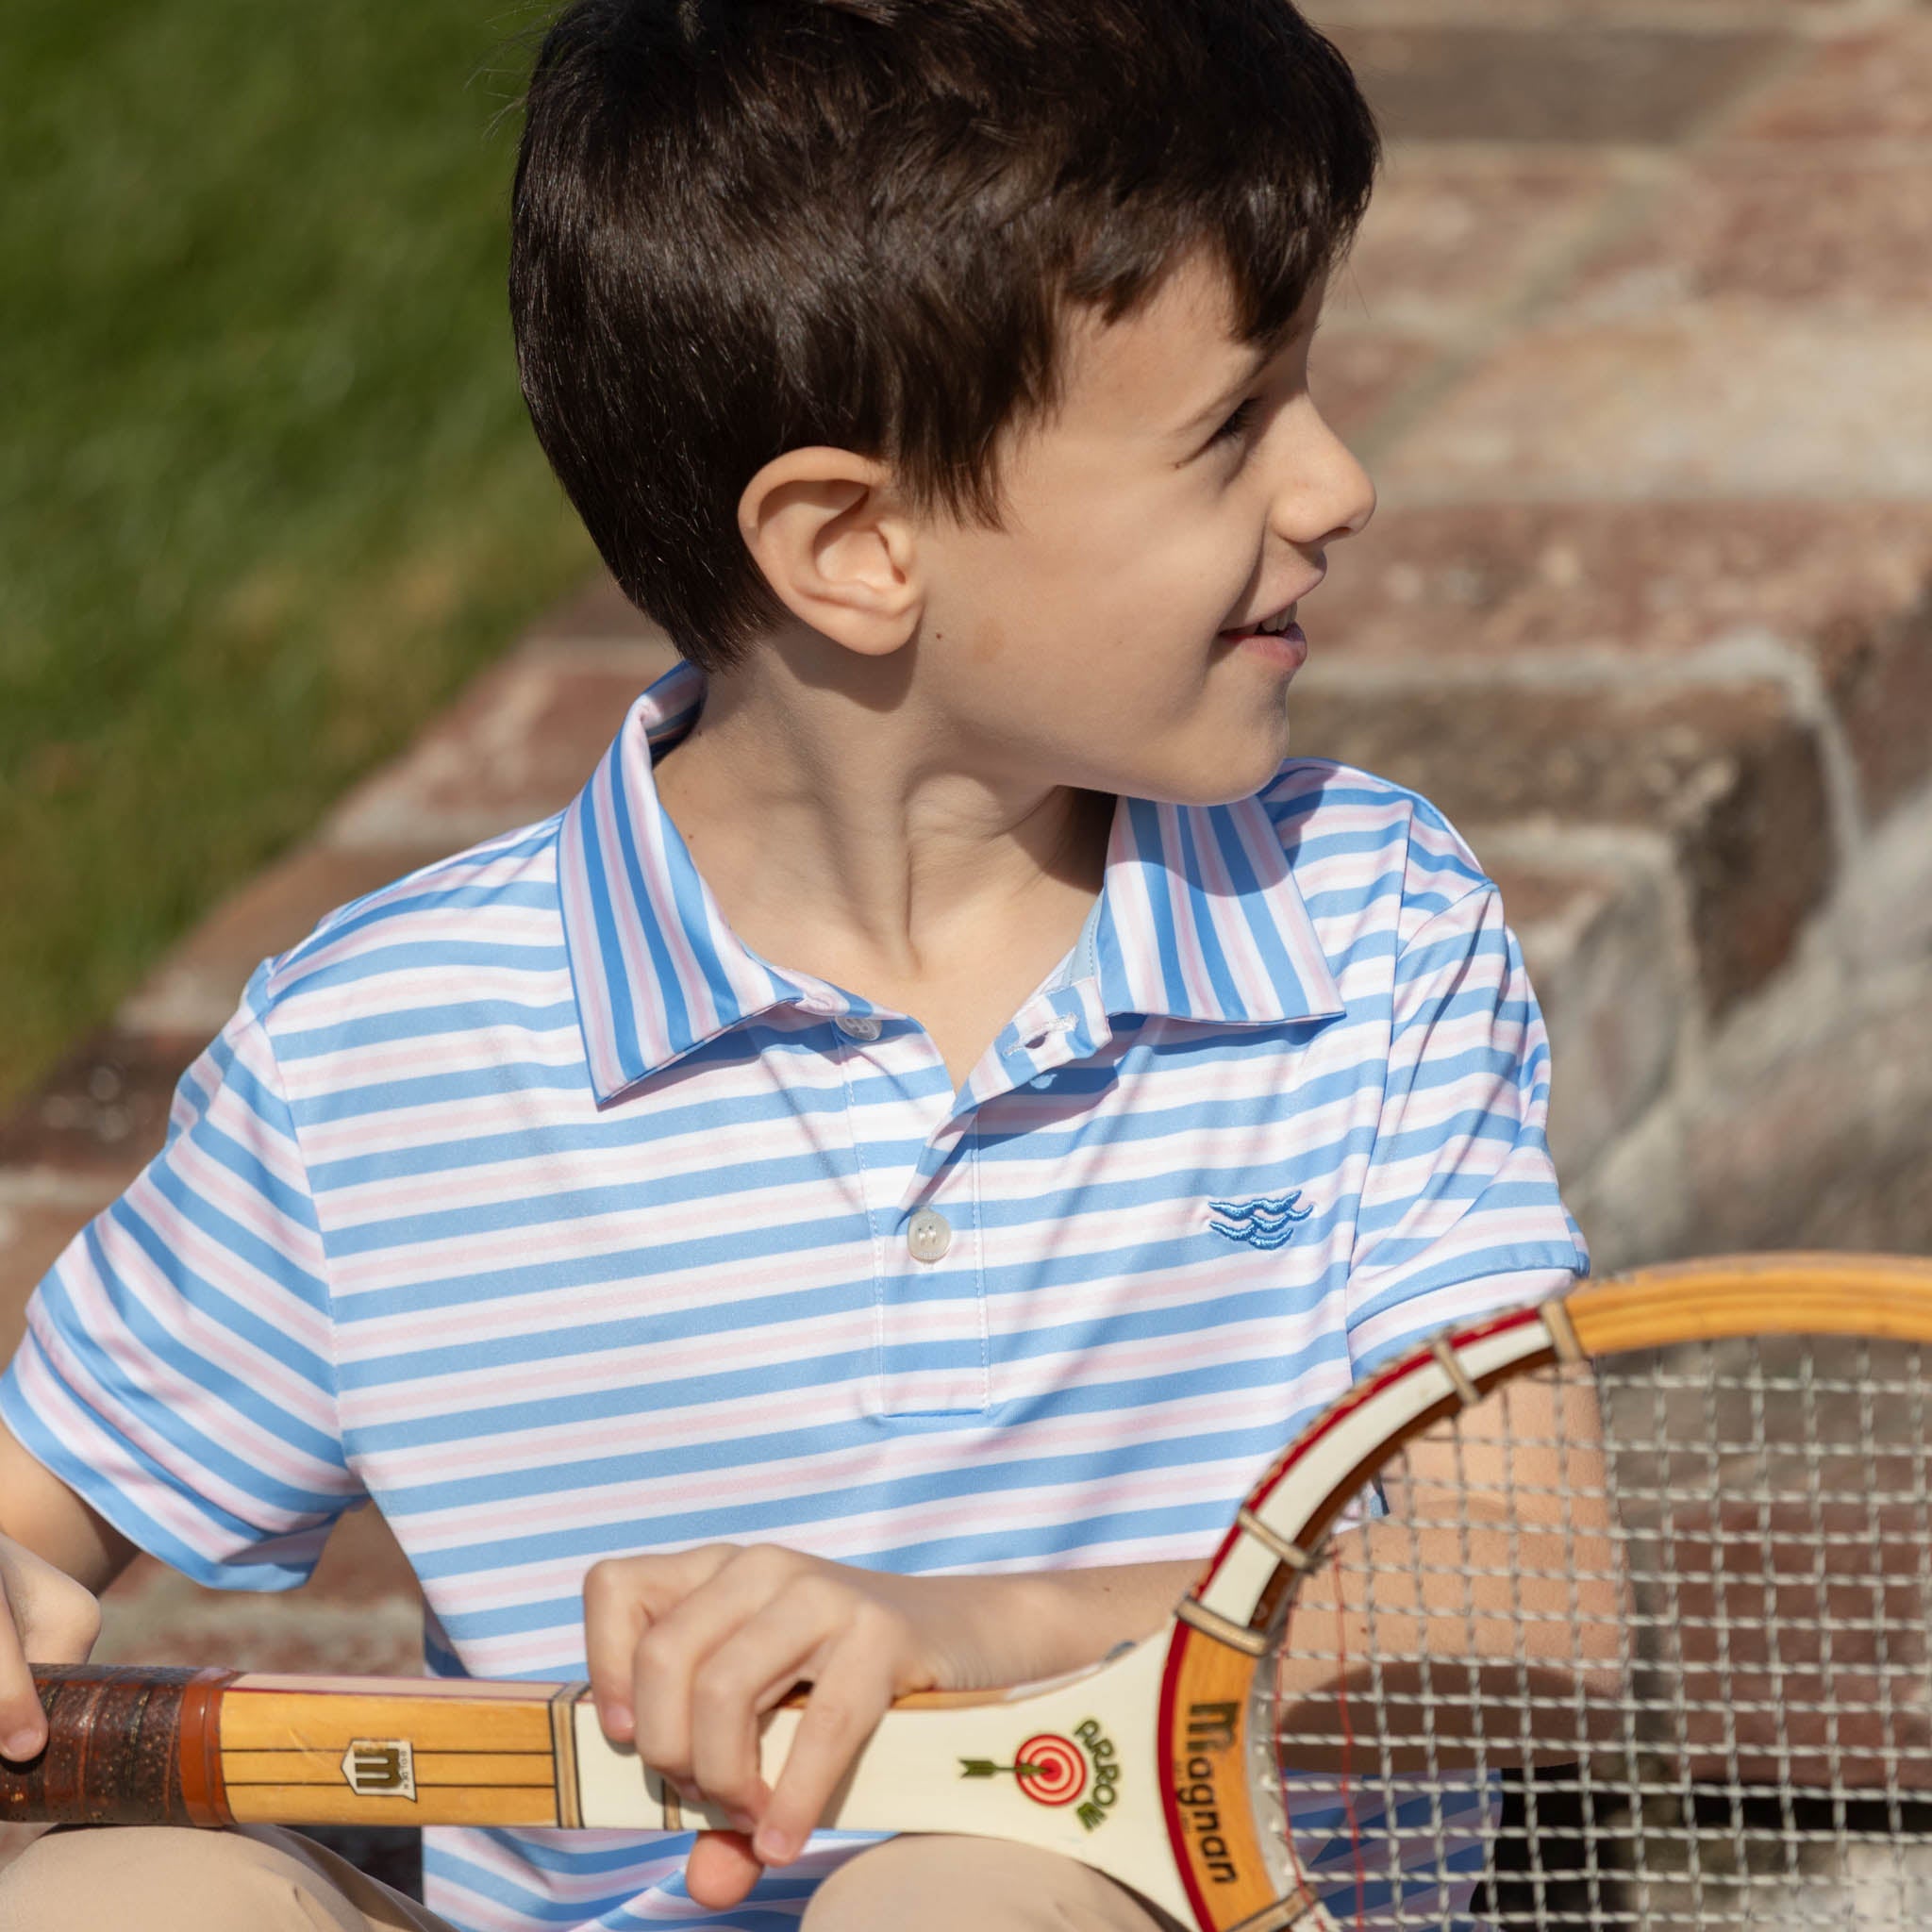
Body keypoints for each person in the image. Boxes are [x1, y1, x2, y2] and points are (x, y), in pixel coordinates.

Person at [0, 1, 1591, 1925]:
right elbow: (34, 1508)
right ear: (853, 546)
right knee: (122, 1897)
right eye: (1234, 426)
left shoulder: (1363, 923)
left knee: (954, 1899)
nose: (1333, 483)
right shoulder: (382, 1055)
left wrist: (969, 1635)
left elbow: (1529, 1592)